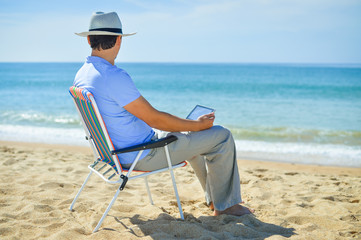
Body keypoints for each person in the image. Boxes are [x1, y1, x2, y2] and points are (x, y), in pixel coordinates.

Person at [74, 11, 254, 216]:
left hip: (115, 153)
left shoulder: (83, 74)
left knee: (191, 137)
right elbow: (155, 119)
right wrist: (197, 125)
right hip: (142, 154)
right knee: (222, 136)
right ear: (119, 41)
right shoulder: (113, 77)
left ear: (89, 39)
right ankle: (227, 206)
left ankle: (216, 200)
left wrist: (191, 127)